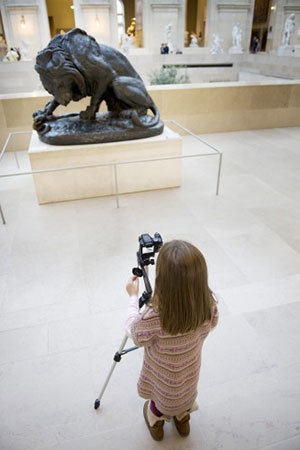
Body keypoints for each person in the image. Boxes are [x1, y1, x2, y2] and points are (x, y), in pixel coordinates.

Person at [125, 240, 219, 441]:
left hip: (162, 378)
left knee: (159, 400)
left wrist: (133, 298)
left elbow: (134, 334)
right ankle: (183, 419)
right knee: (183, 397)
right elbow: (212, 324)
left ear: (162, 280)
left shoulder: (154, 316)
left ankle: (156, 423)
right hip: (189, 374)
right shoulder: (208, 304)